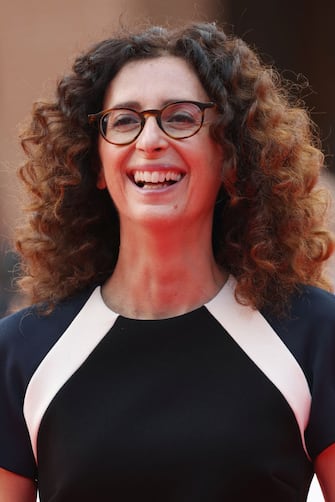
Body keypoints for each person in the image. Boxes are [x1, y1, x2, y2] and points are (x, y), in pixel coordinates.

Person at [0, 21, 334, 502]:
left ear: (231, 154)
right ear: (94, 163)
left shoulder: (315, 333)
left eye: (180, 117)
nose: (150, 139)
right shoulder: (20, 354)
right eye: (124, 120)